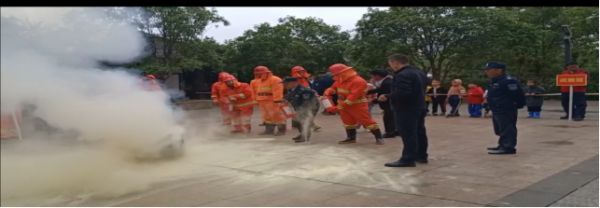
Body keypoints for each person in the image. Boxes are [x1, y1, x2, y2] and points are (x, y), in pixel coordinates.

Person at [380, 54, 429, 167]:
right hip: (419, 106)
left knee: (408, 134)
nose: (391, 67)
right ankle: (421, 156)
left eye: (391, 64)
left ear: (396, 63)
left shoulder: (402, 74)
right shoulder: (419, 72)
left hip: (406, 108)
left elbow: (403, 93)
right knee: (419, 132)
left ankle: (407, 159)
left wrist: (388, 96)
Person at [323, 63, 385, 145]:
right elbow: (334, 87)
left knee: (366, 121)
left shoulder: (358, 81)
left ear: (343, 72)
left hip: (357, 105)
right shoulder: (340, 79)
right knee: (347, 121)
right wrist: (328, 91)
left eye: (337, 74)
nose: (335, 76)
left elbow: (352, 97)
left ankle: (379, 137)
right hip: (344, 105)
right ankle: (351, 138)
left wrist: (338, 107)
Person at [483, 62, 525, 155]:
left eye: (489, 70)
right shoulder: (495, 81)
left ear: (499, 70)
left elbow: (516, 95)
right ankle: (502, 145)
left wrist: (516, 105)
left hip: (506, 109)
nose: (487, 72)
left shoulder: (508, 81)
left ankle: (508, 147)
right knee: (500, 128)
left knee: (508, 128)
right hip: (497, 108)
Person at [250, 66, 287, 136]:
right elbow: (254, 91)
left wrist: (277, 100)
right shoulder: (255, 81)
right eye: (257, 73)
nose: (258, 75)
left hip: (273, 101)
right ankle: (269, 130)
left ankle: (281, 130)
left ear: (265, 73)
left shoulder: (275, 79)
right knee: (266, 116)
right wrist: (255, 100)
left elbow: (278, 90)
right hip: (262, 101)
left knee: (278, 116)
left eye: (259, 73)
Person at [283, 77, 320, 143]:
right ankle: (302, 134)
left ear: (293, 83)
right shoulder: (291, 89)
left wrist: (303, 113)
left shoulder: (304, 90)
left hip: (310, 107)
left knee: (305, 121)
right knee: (296, 122)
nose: (284, 85)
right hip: (299, 107)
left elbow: (307, 103)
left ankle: (305, 137)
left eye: (286, 83)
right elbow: (288, 97)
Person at [367, 69, 396, 138]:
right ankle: (394, 131)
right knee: (391, 117)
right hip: (389, 103)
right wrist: (369, 92)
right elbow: (380, 89)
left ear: (378, 76)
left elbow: (385, 94)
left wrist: (373, 101)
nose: (372, 78)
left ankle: (390, 133)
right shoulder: (385, 81)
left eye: (373, 76)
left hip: (389, 103)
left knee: (388, 118)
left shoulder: (387, 82)